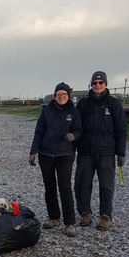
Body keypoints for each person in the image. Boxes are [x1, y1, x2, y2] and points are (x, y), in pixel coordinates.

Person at [74, 71, 127, 231]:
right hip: (86, 150)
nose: (97, 85)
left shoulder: (113, 104)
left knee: (106, 185)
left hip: (106, 151)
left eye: (100, 82)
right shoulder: (83, 104)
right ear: (91, 84)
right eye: (95, 83)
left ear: (105, 84)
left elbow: (121, 129)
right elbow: (75, 127)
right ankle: (85, 213)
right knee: (82, 183)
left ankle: (105, 216)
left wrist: (121, 153)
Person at [29, 82, 82, 237]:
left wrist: (73, 136)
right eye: (59, 94)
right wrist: (33, 152)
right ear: (54, 96)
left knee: (65, 187)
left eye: (64, 95)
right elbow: (39, 132)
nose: (61, 97)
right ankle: (54, 218)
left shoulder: (74, 112)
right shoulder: (46, 111)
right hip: (46, 154)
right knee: (49, 187)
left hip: (65, 155)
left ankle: (70, 223)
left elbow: (79, 130)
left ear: (68, 96)